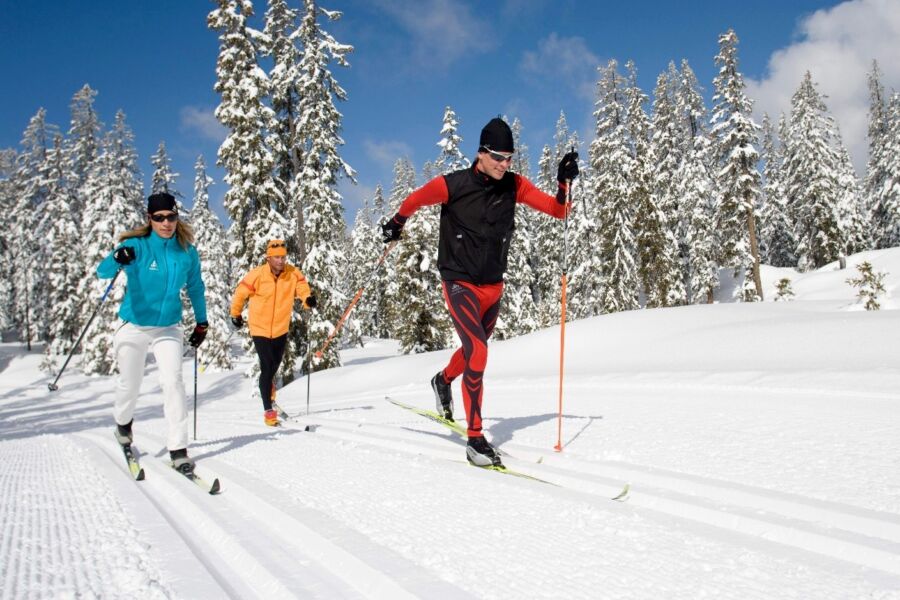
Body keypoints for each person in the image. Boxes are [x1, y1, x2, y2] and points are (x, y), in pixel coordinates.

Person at [381, 117, 579, 467]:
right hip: (459, 282)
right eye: (499, 157)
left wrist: (563, 184)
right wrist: (397, 223)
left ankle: (443, 381)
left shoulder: (514, 185)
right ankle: (475, 440)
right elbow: (414, 199)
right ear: (482, 153)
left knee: (476, 350)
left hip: (493, 286)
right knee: (479, 351)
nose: (505, 165)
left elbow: (558, 211)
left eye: (510, 158)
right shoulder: (454, 185)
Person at [97, 192, 208, 474]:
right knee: (129, 384)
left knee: (173, 382)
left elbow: (195, 287)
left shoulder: (186, 251)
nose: (166, 223)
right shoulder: (137, 246)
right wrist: (116, 256)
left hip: (168, 326)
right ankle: (123, 426)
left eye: (171, 216)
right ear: (150, 219)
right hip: (133, 324)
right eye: (159, 218)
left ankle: (178, 449)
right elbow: (103, 271)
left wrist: (202, 322)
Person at [230, 239, 316, 427]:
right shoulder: (257, 275)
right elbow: (240, 293)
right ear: (268, 258)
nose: (280, 260)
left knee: (274, 366)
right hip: (259, 327)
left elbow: (302, 287)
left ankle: (270, 395)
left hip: (280, 328)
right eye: (277, 257)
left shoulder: (292, 273)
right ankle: (268, 409)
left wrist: (307, 299)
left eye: (283, 257)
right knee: (267, 367)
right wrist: (235, 314)